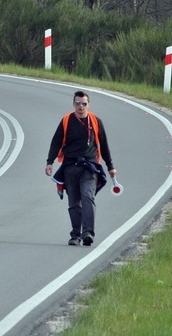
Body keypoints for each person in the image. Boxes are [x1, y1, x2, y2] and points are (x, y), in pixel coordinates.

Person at [45, 91, 117, 246]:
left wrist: (110, 166)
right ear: (73, 104)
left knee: (88, 197)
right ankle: (75, 235)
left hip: (90, 167)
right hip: (70, 166)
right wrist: (49, 162)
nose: (80, 106)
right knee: (74, 202)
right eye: (77, 103)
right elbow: (56, 142)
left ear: (88, 105)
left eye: (84, 103)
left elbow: (103, 145)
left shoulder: (96, 121)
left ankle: (88, 233)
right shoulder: (66, 121)